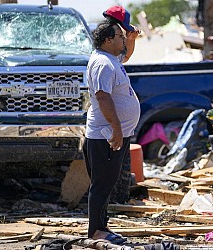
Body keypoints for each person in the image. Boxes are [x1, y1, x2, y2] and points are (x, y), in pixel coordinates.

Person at [83, 6, 140, 244]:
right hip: (105, 135)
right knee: (101, 185)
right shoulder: (103, 64)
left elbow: (126, 55)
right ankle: (96, 231)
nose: (123, 40)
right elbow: (103, 97)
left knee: (106, 184)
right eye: (119, 36)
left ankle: (102, 228)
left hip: (112, 133)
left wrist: (131, 39)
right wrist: (116, 129)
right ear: (108, 40)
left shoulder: (110, 59)